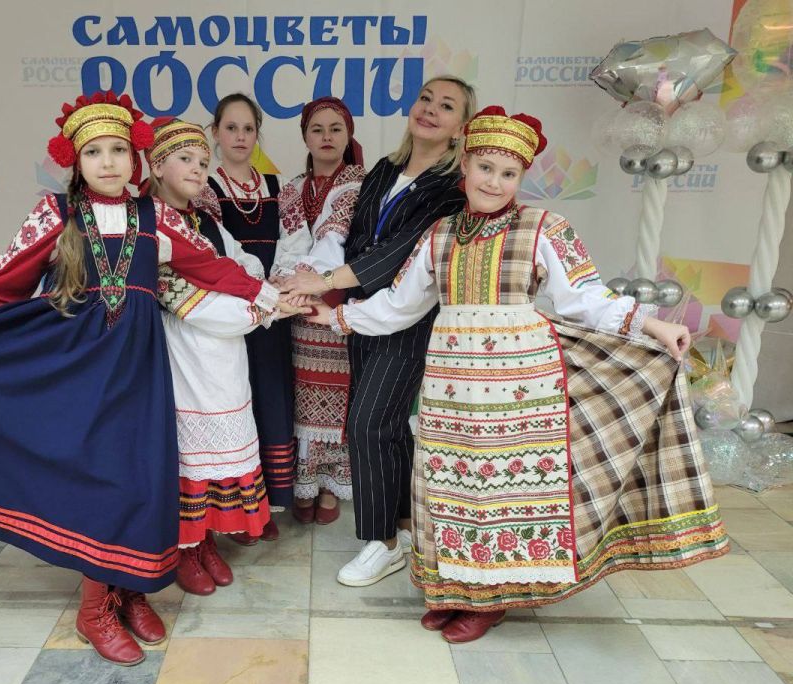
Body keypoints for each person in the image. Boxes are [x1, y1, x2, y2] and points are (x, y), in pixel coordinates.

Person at [0, 92, 281, 666]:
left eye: (117, 150)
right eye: (94, 152)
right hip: (77, 367)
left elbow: (213, 270)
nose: (107, 162)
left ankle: (129, 590)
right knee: (100, 482)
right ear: (75, 159)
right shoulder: (56, 214)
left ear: (134, 157)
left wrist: (277, 297)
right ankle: (95, 611)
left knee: (141, 479)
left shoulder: (156, 218)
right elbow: (0, 284)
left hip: (139, 370)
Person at [305, 106, 728, 643]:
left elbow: (585, 298)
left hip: (520, 385)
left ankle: (495, 598)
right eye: (485, 168)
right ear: (465, 166)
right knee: (453, 484)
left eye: (508, 173)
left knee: (502, 489)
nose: (494, 182)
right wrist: (336, 317)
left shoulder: (544, 228)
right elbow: (398, 306)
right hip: (452, 386)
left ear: (521, 177)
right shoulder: (438, 234)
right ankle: (459, 588)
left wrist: (651, 324)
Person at [280, 76, 476, 586]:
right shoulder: (386, 169)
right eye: (426, 99)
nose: (430, 110)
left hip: (407, 321)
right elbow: (358, 239)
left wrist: (325, 282)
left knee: (366, 425)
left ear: (460, 127)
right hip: (363, 314)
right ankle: (407, 527)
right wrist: (321, 290)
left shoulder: (451, 189)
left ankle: (381, 543)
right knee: (388, 428)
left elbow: (398, 253)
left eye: (446, 106)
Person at [141, 118, 305, 594]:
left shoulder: (205, 221)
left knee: (220, 453)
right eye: (185, 159)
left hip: (225, 353)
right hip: (184, 353)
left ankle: (206, 538)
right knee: (190, 455)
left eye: (202, 161)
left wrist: (260, 294)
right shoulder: (150, 226)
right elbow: (190, 303)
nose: (198, 169)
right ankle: (184, 549)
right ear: (156, 165)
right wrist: (264, 309)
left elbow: (242, 263)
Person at [196, 94, 295, 542]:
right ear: (215, 132)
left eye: (248, 128)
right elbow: (215, 253)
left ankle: (265, 506)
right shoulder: (204, 187)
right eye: (231, 128)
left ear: (258, 134)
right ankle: (235, 511)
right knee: (236, 407)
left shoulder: (278, 185)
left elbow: (296, 240)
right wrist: (256, 289)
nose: (239, 136)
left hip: (274, 312)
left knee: (271, 399)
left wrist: (280, 283)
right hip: (230, 314)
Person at [270, 97, 365, 524]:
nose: (326, 137)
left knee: (338, 395)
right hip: (297, 309)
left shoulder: (360, 184)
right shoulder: (291, 188)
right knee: (302, 396)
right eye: (317, 129)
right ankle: (303, 483)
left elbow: (337, 239)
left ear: (348, 135)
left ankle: (329, 486)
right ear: (305, 137)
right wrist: (286, 286)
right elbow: (287, 244)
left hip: (338, 304)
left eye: (335, 129)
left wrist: (310, 284)